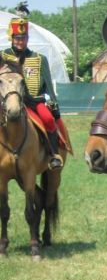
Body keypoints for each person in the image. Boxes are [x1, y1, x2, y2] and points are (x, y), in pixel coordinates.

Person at [1, 17, 63, 170]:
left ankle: (53, 154)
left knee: (48, 119)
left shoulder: (40, 59)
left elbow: (48, 85)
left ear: (27, 39)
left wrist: (54, 103)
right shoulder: (2, 57)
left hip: (34, 102)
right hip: (6, 102)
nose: (20, 41)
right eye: (17, 38)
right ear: (11, 38)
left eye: (23, 38)